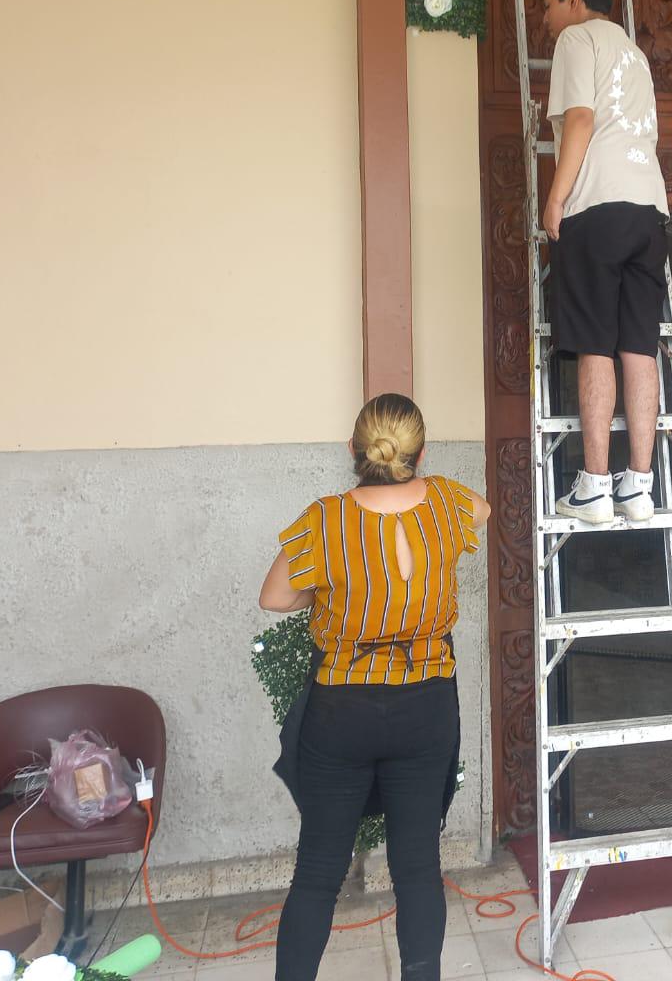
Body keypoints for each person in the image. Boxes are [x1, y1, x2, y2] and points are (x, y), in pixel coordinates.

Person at [258, 393, 491, 981]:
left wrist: (337, 590)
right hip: (426, 705)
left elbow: (275, 597)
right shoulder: (446, 502)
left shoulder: (325, 517)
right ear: (421, 452)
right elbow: (484, 510)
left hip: (343, 709)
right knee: (417, 867)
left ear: (353, 450)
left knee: (317, 871)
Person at [535, 0, 670, 524]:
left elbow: (582, 120)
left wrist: (556, 198)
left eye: (544, 7)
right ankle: (638, 485)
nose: (542, 21)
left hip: (598, 207)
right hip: (649, 209)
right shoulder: (635, 54)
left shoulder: (576, 40)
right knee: (638, 345)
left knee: (595, 342)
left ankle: (593, 485)